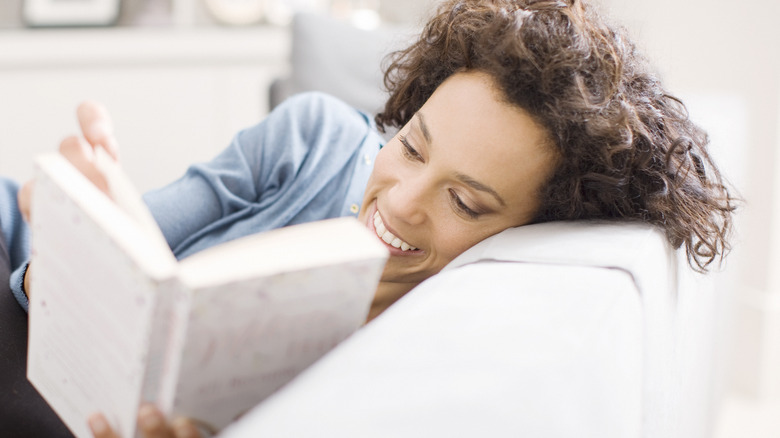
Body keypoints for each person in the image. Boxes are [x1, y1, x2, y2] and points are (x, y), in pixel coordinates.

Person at [1, 0, 735, 436]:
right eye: (411, 146)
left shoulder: (433, 343)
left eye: (466, 202)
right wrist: (89, 214)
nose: (403, 201)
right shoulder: (314, 141)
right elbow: (42, 280)